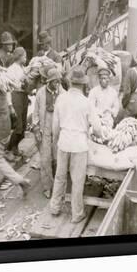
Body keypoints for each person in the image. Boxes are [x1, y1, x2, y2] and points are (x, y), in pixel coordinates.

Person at [50, 66, 96, 223]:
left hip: (64, 141)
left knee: (60, 177)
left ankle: (55, 207)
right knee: (77, 180)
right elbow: (96, 127)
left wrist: (56, 141)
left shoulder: (61, 99)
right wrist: (100, 134)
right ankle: (77, 214)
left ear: (70, 82)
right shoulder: (86, 102)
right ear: (83, 84)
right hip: (79, 145)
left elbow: (55, 126)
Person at [32, 68, 64, 199]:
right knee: (45, 158)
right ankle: (47, 186)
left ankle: (59, 187)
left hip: (58, 127)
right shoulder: (40, 93)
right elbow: (35, 112)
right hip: (45, 125)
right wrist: (36, 128)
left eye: (58, 81)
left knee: (58, 157)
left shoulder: (63, 93)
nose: (57, 84)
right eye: (55, 82)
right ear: (49, 82)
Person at [6, 47, 30, 157]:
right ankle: (12, 148)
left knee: (24, 125)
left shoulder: (22, 68)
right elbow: (8, 88)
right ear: (19, 57)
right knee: (18, 125)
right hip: (16, 96)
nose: (26, 58)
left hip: (23, 96)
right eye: (24, 56)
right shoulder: (11, 69)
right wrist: (10, 105)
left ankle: (11, 146)